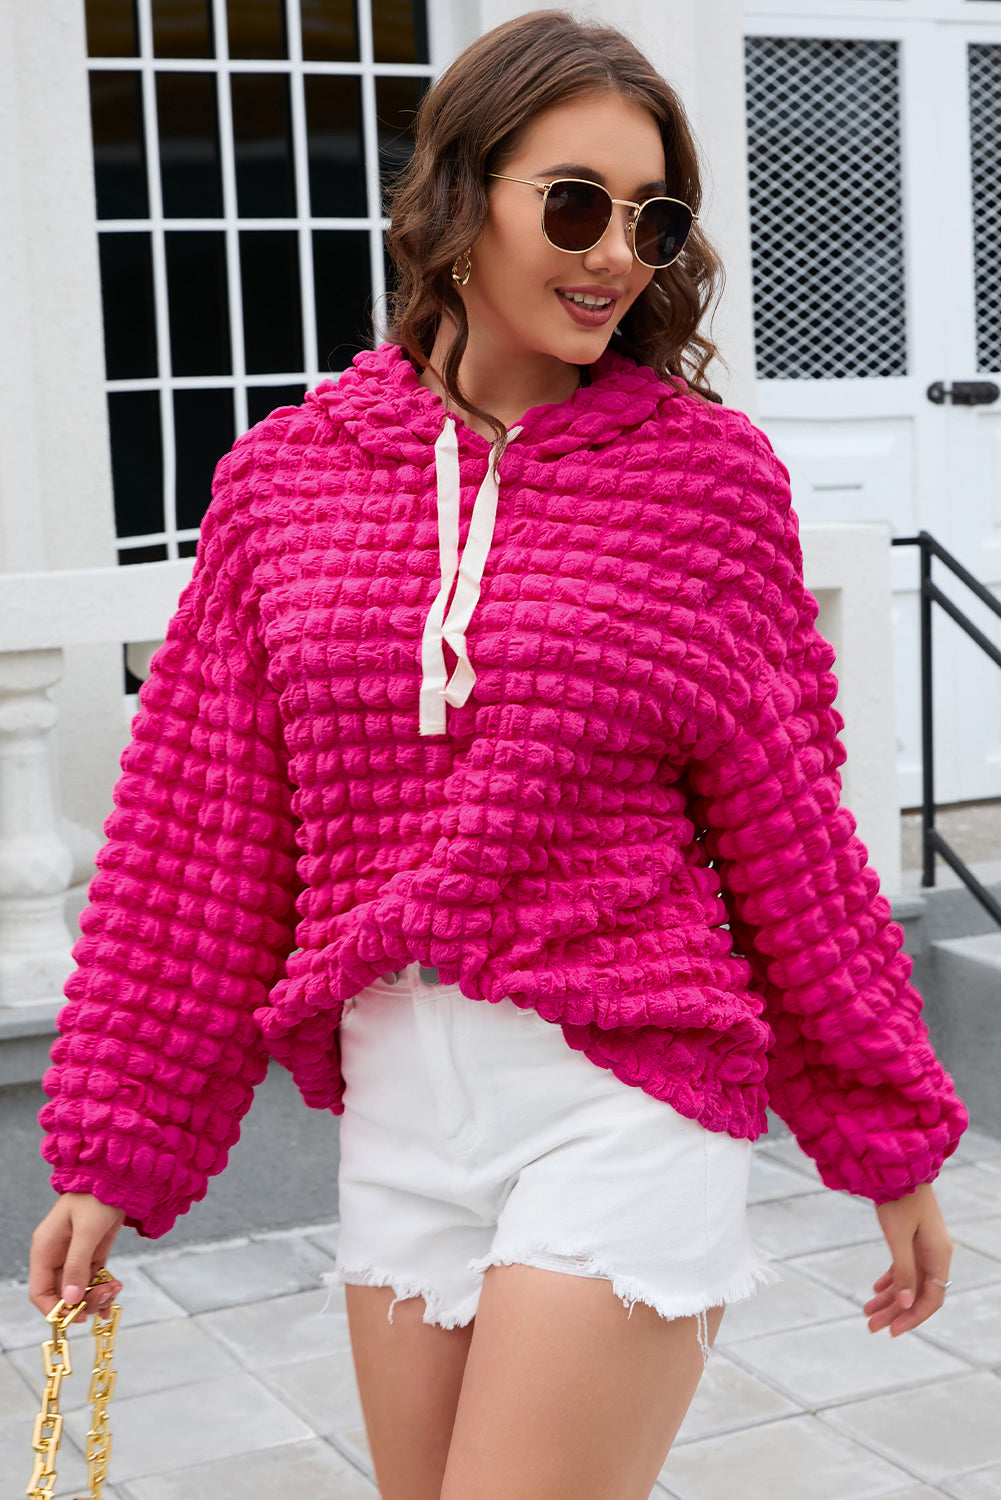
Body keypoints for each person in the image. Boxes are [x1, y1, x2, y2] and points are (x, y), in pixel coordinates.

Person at [29, 11, 965, 1500]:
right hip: (400, 1103)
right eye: (575, 203)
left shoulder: (703, 483)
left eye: (652, 218)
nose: (615, 254)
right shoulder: (281, 483)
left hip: (629, 1083)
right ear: (459, 201)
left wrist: (885, 1128)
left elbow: (787, 835)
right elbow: (201, 837)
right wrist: (116, 1143)